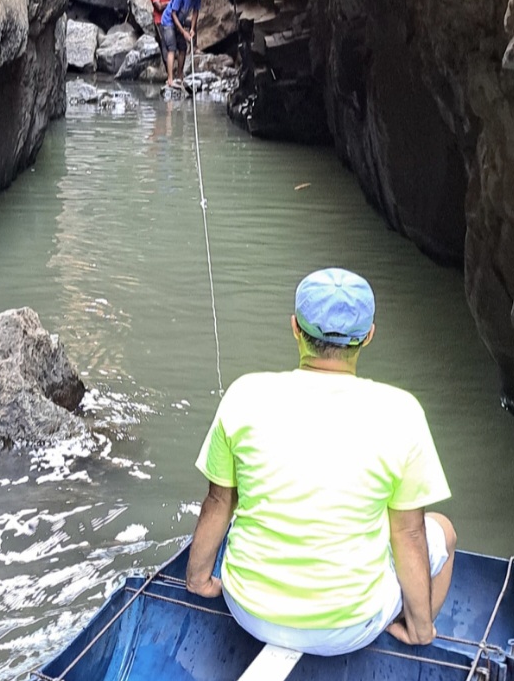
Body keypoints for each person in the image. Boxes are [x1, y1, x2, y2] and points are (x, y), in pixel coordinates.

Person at [186, 268, 456, 655]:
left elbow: (218, 502)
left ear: (295, 328)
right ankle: (415, 632)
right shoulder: (402, 412)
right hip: (346, 630)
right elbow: (409, 534)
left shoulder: (245, 393)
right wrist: (422, 624)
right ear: (368, 336)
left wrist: (198, 580)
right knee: (440, 530)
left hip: (247, 610)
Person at [160, 0, 201, 93]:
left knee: (183, 48)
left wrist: (192, 29)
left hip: (180, 22)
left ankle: (180, 76)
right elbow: (173, 14)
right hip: (168, 21)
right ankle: (170, 79)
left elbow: (195, 12)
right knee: (172, 48)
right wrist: (183, 32)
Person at [148, 0, 174, 67]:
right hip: (160, 20)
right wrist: (169, 2)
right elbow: (158, 7)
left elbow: (175, 3)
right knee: (164, 42)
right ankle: (168, 66)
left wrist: (164, 3)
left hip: (171, 18)